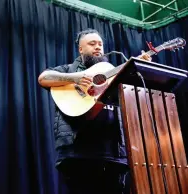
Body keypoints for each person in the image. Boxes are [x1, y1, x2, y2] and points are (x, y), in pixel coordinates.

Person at [38, 29, 151, 194]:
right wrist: (75, 78)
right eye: (92, 44)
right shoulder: (68, 70)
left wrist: (141, 67)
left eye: (100, 44)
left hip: (113, 153)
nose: (98, 47)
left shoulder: (114, 72)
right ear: (80, 49)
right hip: (78, 153)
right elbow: (43, 78)